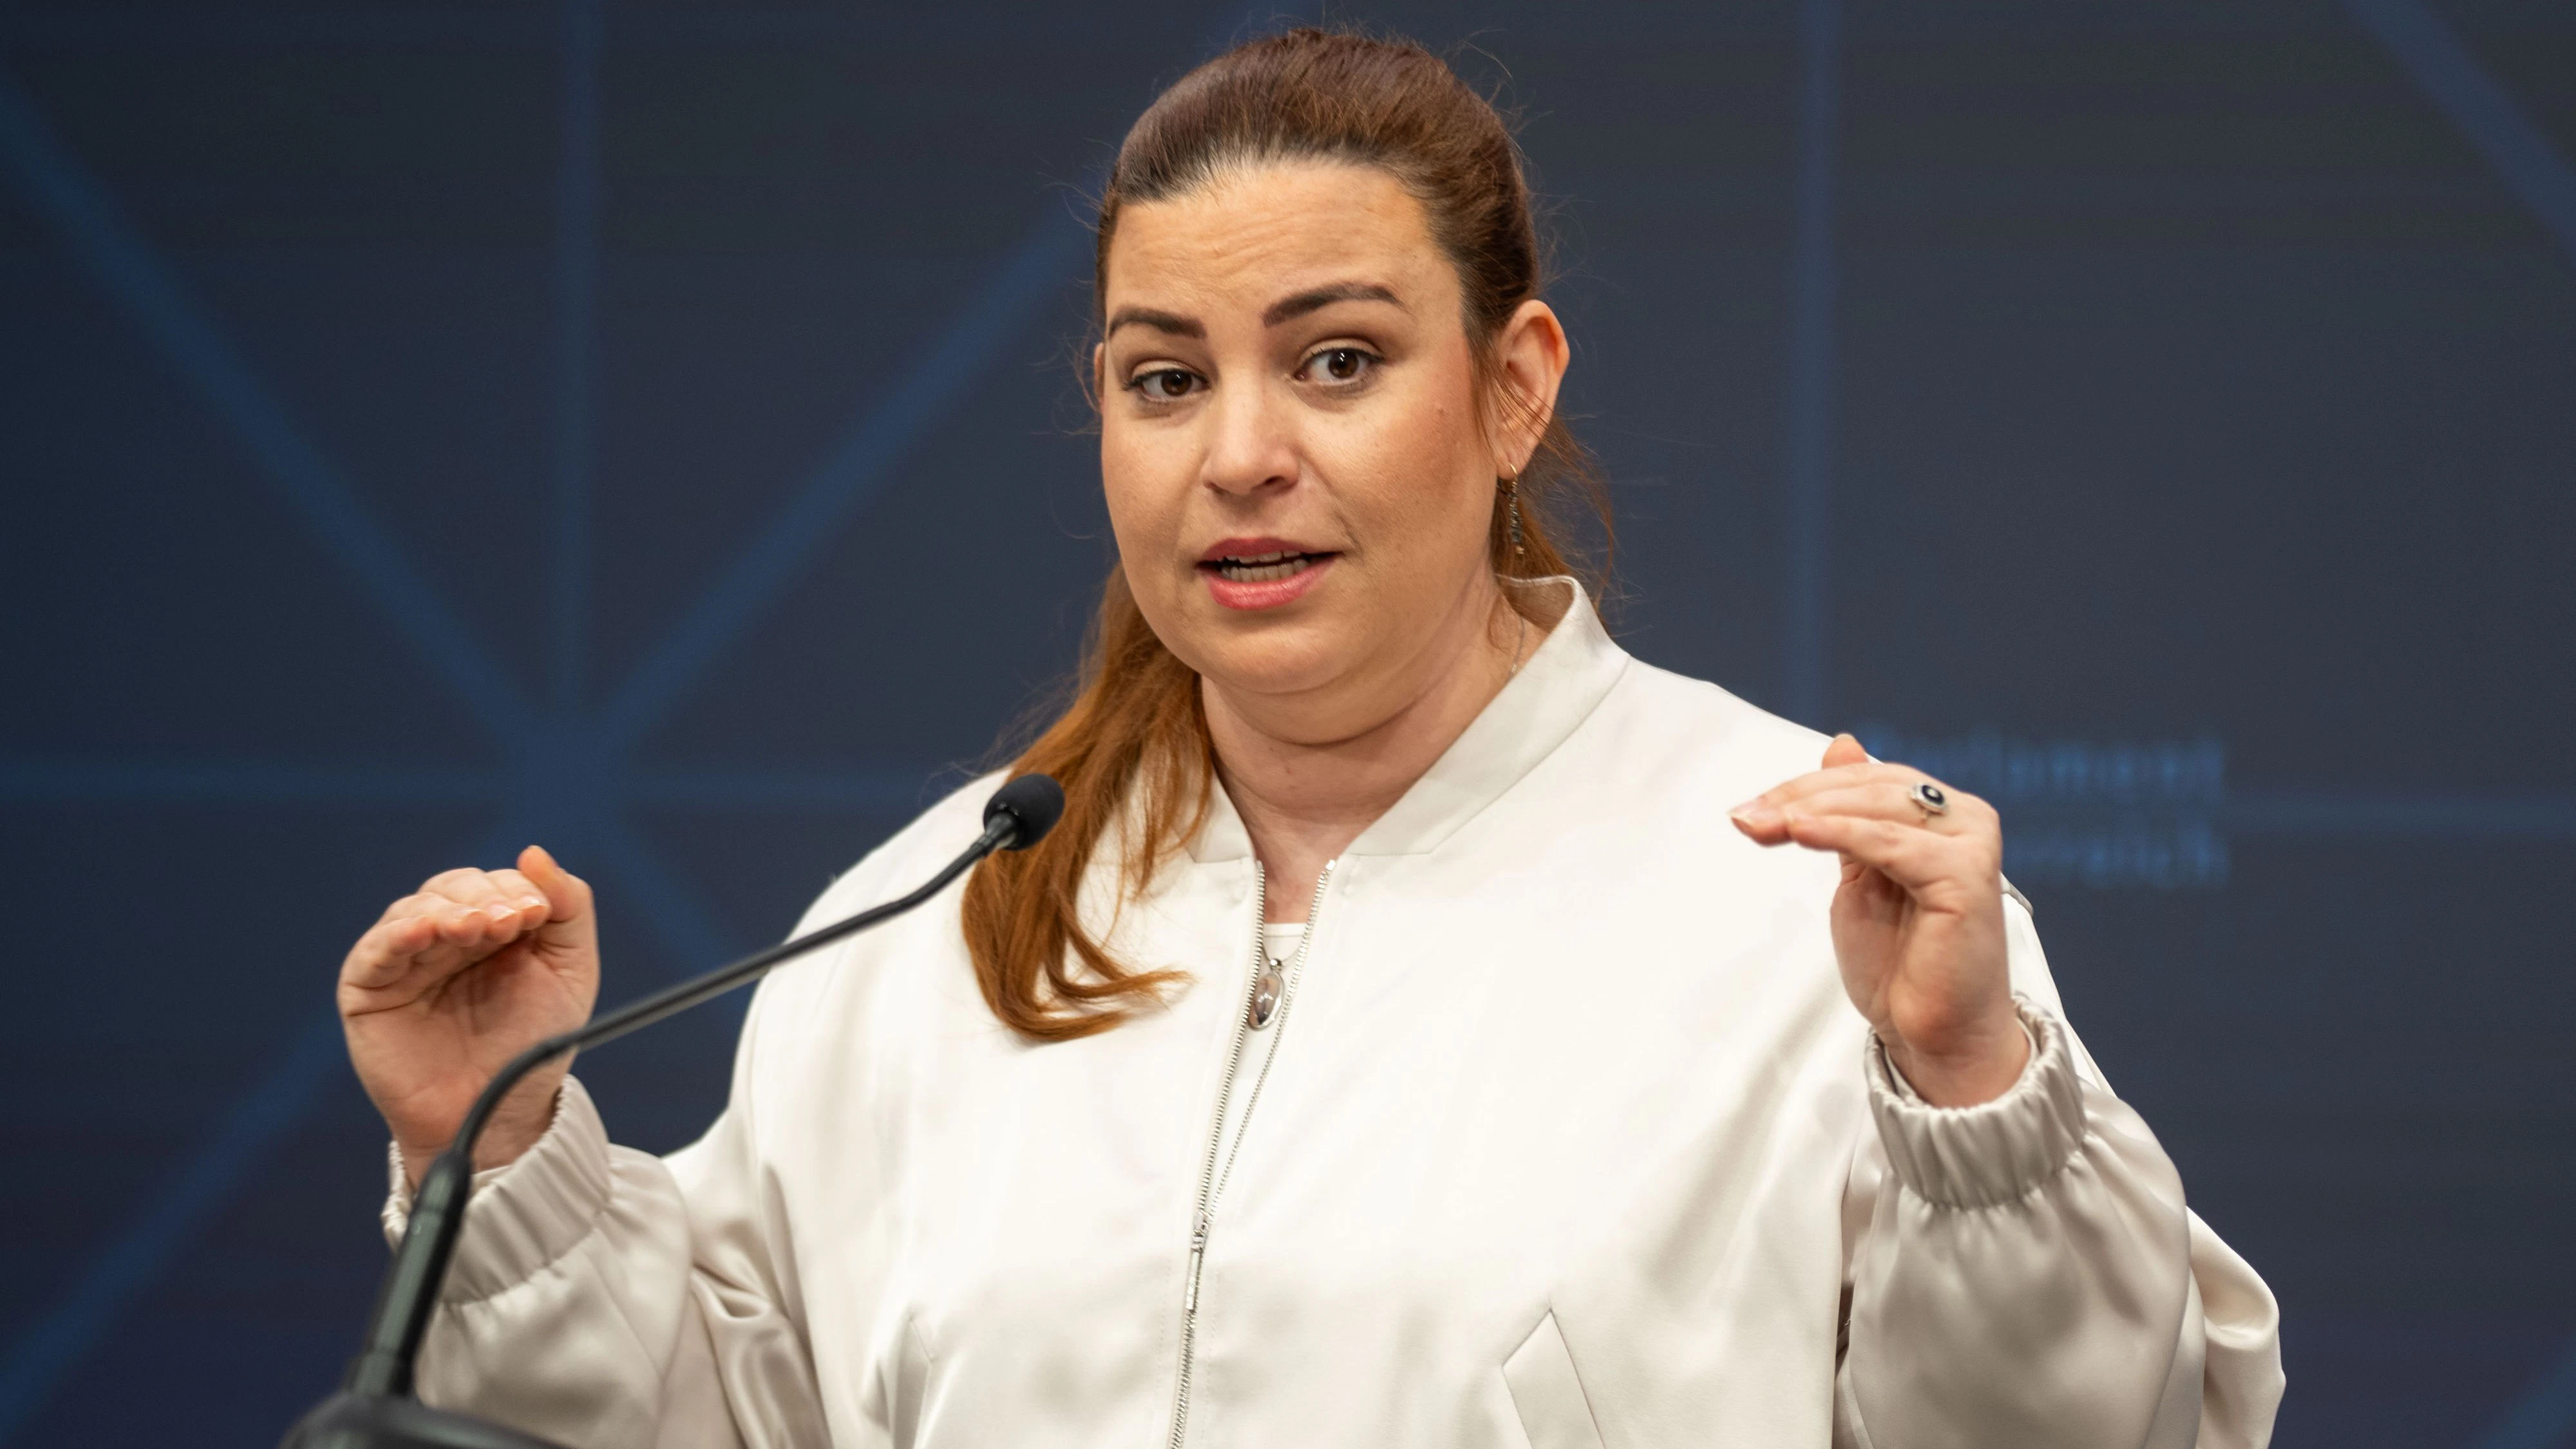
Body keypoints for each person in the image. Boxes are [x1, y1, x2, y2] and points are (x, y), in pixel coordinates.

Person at [337, 29, 2282, 1448]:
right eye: (1164, 379)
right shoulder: (926, 924)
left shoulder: (1800, 905)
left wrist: (1969, 1099)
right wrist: (503, 1160)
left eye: (1337, 361)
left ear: (1513, 388)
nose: (1242, 454)